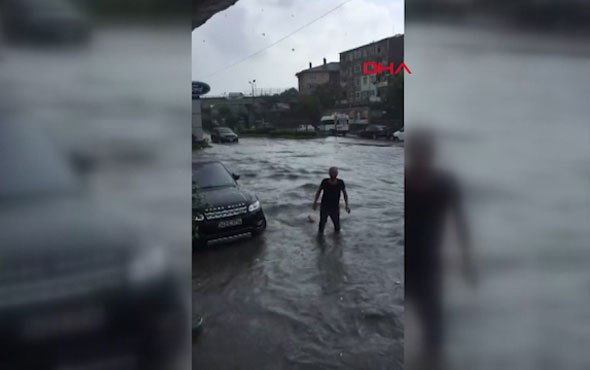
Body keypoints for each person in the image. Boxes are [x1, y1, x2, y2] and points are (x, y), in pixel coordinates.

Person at [405, 128, 475, 369]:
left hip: (428, 262)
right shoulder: (404, 180)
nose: (420, 155)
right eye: (416, 151)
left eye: (424, 151)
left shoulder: (444, 184)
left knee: (433, 322)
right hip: (406, 259)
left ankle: (430, 359)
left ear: (432, 153)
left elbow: (460, 222)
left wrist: (467, 259)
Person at [313, 167, 350, 233]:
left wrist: (347, 205)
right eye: (332, 172)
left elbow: (345, 194)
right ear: (329, 173)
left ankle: (337, 240)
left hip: (335, 208)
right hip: (325, 207)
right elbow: (318, 192)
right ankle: (320, 240)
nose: (333, 174)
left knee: (337, 227)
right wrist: (315, 203)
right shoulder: (325, 182)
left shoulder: (340, 182)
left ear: (337, 174)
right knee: (321, 226)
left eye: (334, 173)